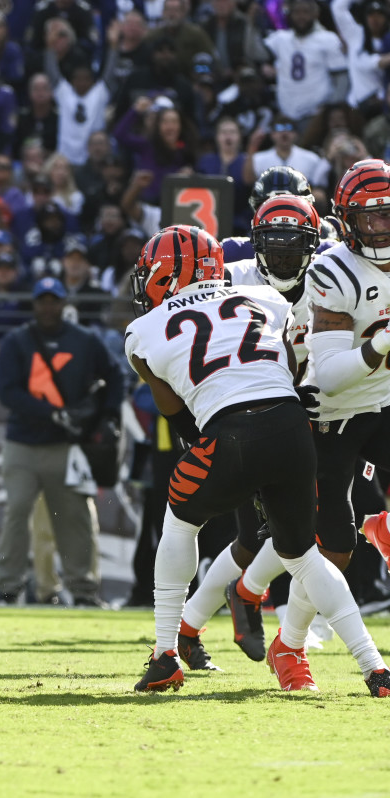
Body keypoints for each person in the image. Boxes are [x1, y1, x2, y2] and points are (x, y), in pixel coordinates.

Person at [127, 224, 390, 696]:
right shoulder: (266, 300)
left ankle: (166, 653)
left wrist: (221, 454)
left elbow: (176, 413)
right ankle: (375, 668)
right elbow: (285, 372)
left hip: (229, 434)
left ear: (165, 276)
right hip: (293, 430)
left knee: (180, 524)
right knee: (304, 556)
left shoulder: (142, 331)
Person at [207, 158, 390, 691]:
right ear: (347, 219)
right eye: (370, 216)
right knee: (329, 547)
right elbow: (331, 376)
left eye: (388, 214)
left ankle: (286, 645)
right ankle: (271, 618)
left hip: (384, 401)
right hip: (329, 412)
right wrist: (380, 343)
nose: (381, 226)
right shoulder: (333, 271)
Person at [175, 194, 320, 672]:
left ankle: (191, 627)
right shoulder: (229, 276)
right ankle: (218, 611)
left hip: (307, 411)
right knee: (260, 537)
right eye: (272, 246)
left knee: (275, 536)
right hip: (244, 416)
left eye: (292, 246)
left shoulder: (332, 275)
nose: (282, 256)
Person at [0, 276, 122, 608]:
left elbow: (115, 376)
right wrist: (51, 412)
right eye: (42, 300)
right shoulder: (17, 342)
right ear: (34, 304)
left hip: (66, 446)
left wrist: (104, 417)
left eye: (54, 300)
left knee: (75, 518)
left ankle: (83, 589)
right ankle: (9, 587)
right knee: (17, 511)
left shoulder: (85, 341)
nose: (48, 306)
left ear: (64, 304)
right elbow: (7, 391)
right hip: (22, 444)